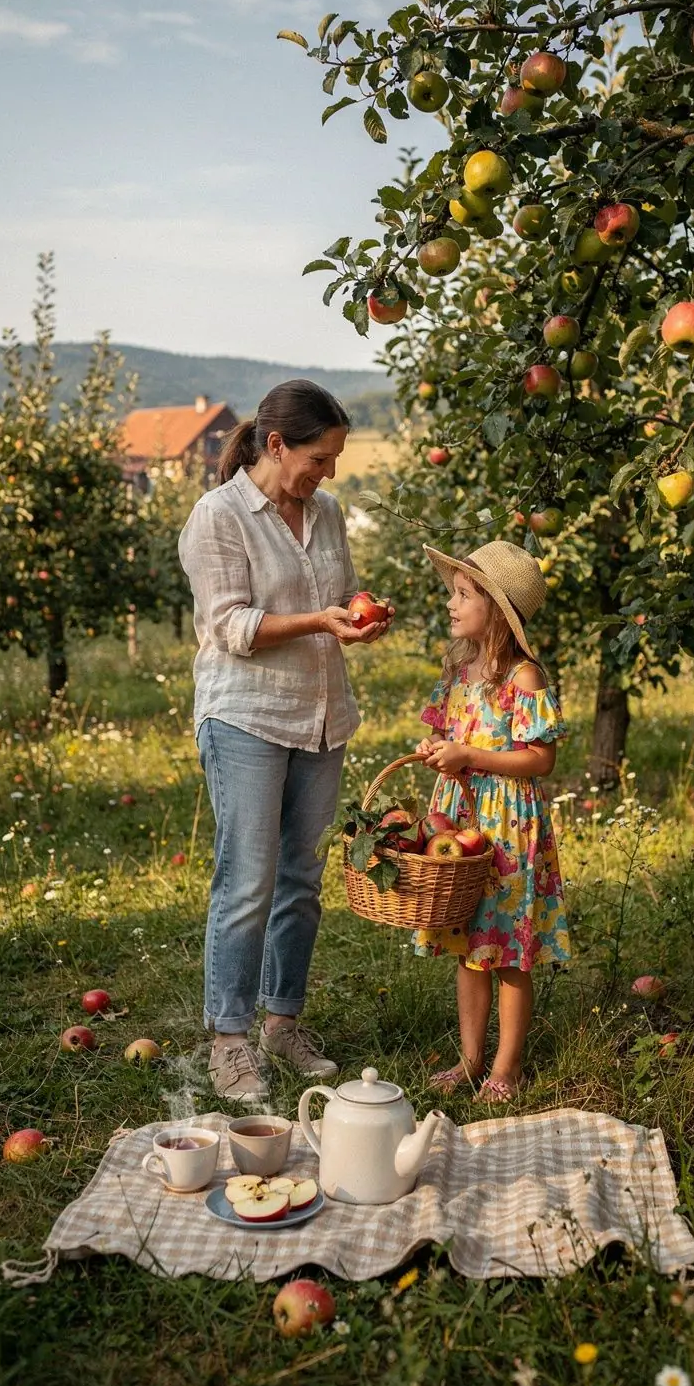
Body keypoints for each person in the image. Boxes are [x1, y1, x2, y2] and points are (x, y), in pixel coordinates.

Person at [178, 378, 391, 1103]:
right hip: (246, 715)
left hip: (322, 714)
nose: (327, 472)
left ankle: (282, 1024)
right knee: (248, 879)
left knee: (301, 879)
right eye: (319, 458)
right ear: (276, 444)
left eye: (334, 458)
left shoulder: (326, 513)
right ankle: (230, 1041)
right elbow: (229, 627)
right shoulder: (219, 516)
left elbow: (338, 599)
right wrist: (319, 621)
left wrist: (357, 622)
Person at [413, 539, 570, 1102]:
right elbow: (449, 734)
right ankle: (470, 1058)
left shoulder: (522, 678)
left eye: (463, 594)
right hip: (462, 822)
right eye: (452, 593)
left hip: (507, 828)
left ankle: (507, 1067)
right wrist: (437, 746)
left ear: (498, 611)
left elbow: (542, 759)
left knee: (508, 952)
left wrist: (469, 756)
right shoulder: (460, 672)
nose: (450, 603)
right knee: (469, 946)